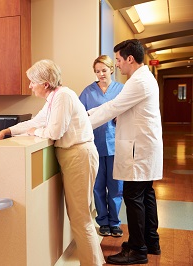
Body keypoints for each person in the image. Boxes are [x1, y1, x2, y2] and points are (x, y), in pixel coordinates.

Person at [0, 59, 105, 266]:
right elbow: (37, 121)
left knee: (80, 218)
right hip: (73, 157)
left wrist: (36, 132)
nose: (30, 86)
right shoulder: (54, 99)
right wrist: (8, 131)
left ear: (44, 83)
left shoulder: (63, 97)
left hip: (78, 156)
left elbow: (53, 131)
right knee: (79, 216)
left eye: (32, 82)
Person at [88, 39, 163, 265]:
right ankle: (151, 241)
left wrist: (81, 122)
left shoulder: (138, 82)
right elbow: (120, 108)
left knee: (134, 197)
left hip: (138, 150)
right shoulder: (144, 78)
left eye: (119, 60)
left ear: (130, 59)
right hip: (144, 148)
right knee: (146, 194)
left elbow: (113, 107)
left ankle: (138, 250)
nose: (117, 65)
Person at [79, 55, 124, 238]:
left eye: (104, 70)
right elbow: (80, 116)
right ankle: (103, 221)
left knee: (116, 186)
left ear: (112, 69)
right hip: (94, 145)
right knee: (97, 186)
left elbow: (129, 111)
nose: (100, 74)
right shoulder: (88, 91)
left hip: (116, 145)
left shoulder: (121, 90)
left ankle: (115, 222)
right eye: (97, 71)